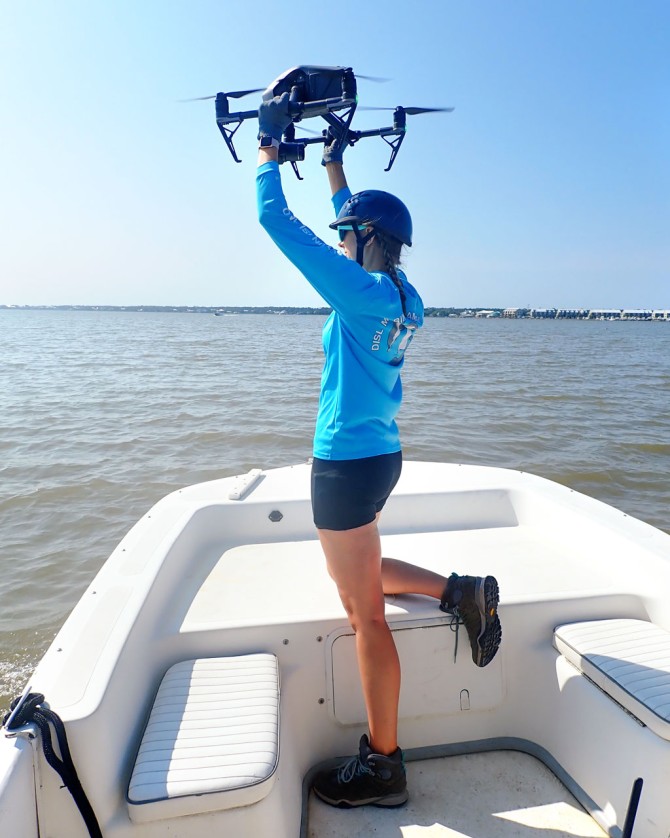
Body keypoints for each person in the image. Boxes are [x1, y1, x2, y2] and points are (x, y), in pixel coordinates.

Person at [256, 92, 502, 809]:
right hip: (381, 458)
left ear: (363, 237)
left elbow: (275, 221)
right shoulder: (404, 295)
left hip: (343, 464)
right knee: (357, 575)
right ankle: (458, 591)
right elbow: (353, 224)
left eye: (346, 234)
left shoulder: (358, 296)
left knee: (362, 612)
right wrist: (333, 164)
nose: (338, 242)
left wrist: (271, 156)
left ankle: (385, 765)